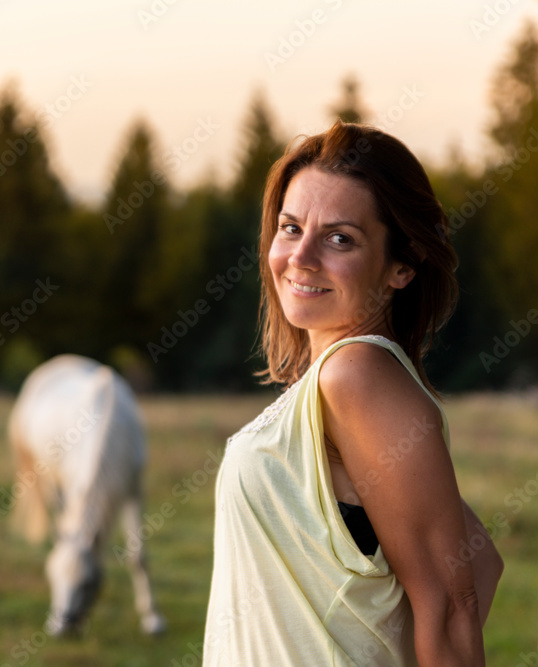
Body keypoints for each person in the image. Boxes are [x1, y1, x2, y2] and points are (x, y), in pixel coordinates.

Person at [202, 121, 503, 666]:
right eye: (291, 228)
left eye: (340, 238)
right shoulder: (335, 384)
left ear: (401, 267)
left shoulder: (356, 376)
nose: (301, 257)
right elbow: (481, 560)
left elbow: (453, 607)